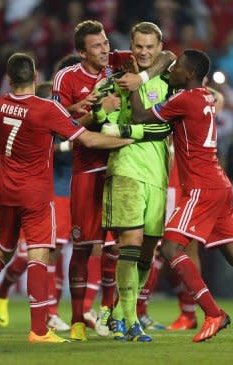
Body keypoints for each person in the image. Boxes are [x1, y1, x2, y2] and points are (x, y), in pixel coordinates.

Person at [0, 52, 133, 343]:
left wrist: (75, 106)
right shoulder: (46, 109)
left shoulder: (2, 104)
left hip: (7, 191)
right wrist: (128, 139)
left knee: (0, 252)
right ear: (36, 77)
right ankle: (39, 329)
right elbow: (87, 138)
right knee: (39, 256)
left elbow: (49, 114)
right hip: (36, 194)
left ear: (10, 79)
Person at [129, 49, 233, 343]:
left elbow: (138, 114)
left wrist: (139, 83)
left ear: (188, 74)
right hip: (218, 183)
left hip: (201, 186)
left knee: (171, 249)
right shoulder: (205, 96)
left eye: (175, 68)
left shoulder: (184, 99)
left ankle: (213, 314)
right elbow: (195, 93)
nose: (170, 70)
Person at [51, 20, 173, 341]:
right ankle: (78, 318)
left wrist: (144, 77)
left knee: (116, 247)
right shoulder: (67, 77)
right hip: (88, 169)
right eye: (96, 46)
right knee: (84, 246)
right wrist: (95, 112)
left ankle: (110, 313)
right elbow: (60, 126)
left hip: (121, 167)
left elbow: (168, 56)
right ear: (81, 52)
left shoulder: (121, 61)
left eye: (106, 43)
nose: (105, 50)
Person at [0, 56, 83, 332]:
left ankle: (52, 311)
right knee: (41, 252)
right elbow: (49, 147)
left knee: (59, 250)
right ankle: (11, 290)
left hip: (72, 186)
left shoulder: (77, 104)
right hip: (46, 186)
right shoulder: (43, 98)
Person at [99, 21, 174, 342]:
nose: (144, 52)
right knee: (129, 243)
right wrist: (105, 114)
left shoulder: (169, 80)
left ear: (157, 48)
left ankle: (119, 312)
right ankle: (130, 320)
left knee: (147, 251)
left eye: (149, 47)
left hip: (158, 175)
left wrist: (129, 131)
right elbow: (105, 129)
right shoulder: (114, 82)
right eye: (139, 46)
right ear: (131, 46)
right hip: (126, 170)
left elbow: (166, 128)